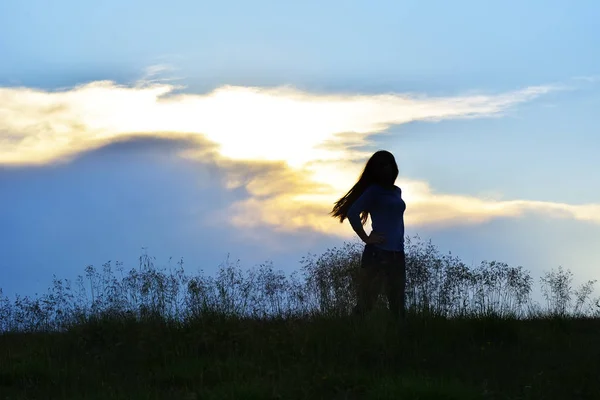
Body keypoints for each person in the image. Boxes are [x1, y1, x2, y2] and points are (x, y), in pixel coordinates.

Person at [330, 150, 406, 320]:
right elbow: (352, 212)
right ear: (376, 170)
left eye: (389, 164)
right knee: (367, 302)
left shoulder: (396, 191)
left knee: (398, 303)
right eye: (382, 166)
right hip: (377, 253)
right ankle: (353, 335)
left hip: (397, 253)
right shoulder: (373, 191)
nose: (387, 169)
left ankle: (399, 340)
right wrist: (365, 238)